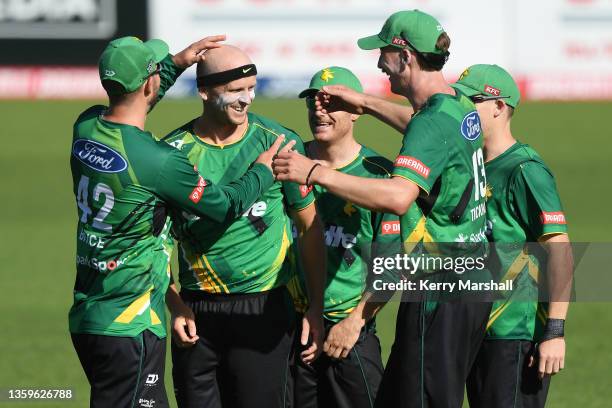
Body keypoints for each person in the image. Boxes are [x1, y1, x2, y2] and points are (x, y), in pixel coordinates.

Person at [273, 10, 492, 408]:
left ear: (406, 57)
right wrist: (363, 102)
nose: (380, 63)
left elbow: (397, 196)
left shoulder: (432, 123)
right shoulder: (457, 104)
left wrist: (315, 172)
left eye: (385, 53)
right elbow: (422, 126)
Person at [69, 35, 287, 408]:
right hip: (130, 323)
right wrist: (263, 172)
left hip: (89, 313)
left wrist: (176, 62)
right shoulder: (161, 161)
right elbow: (222, 206)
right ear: (151, 83)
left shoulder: (85, 127)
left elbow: (133, 100)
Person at [161, 44, 326, 408]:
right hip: (195, 315)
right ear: (204, 92)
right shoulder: (172, 153)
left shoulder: (279, 142)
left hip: (264, 310)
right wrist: (174, 305)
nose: (247, 99)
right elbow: (154, 247)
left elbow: (309, 225)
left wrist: (315, 305)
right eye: (235, 91)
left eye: (251, 88)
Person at [451, 64, 572, 408]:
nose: (461, 109)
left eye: (468, 100)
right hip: (475, 330)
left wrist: (554, 331)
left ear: (499, 106)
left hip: (513, 335)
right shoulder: (470, 165)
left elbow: (560, 250)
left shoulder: (526, 170)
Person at [288, 66, 405, 408]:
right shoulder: (287, 162)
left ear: (356, 111)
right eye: (313, 102)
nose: (319, 110)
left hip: (348, 335)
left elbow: (392, 264)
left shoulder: (380, 175)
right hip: (288, 330)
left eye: (331, 102)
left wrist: (355, 323)